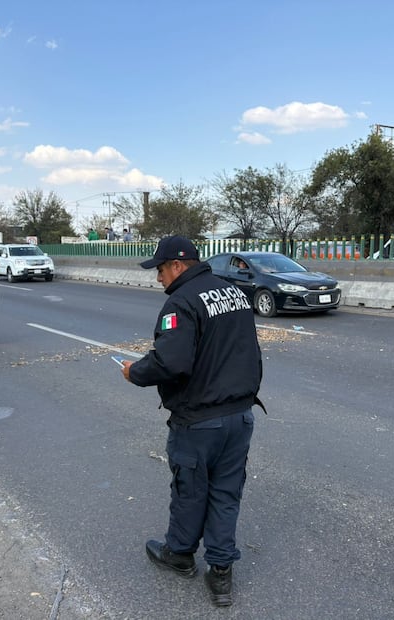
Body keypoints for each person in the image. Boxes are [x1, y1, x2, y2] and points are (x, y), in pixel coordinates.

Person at [119, 235, 263, 607]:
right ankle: (221, 573)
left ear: (178, 266)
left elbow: (171, 362)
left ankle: (180, 555)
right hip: (239, 415)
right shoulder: (233, 293)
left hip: (199, 421)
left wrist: (135, 372)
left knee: (190, 490)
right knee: (226, 494)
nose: (158, 278)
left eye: (161, 270)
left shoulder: (181, 302)